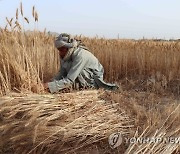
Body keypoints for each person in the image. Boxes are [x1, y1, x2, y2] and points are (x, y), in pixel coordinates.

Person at [43, 33, 119, 93]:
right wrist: (50, 83)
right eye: (59, 50)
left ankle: (87, 88)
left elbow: (69, 80)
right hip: (77, 77)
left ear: (69, 48)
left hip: (92, 79)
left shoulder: (80, 56)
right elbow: (61, 73)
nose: (60, 53)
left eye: (62, 50)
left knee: (75, 75)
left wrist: (49, 86)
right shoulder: (64, 54)